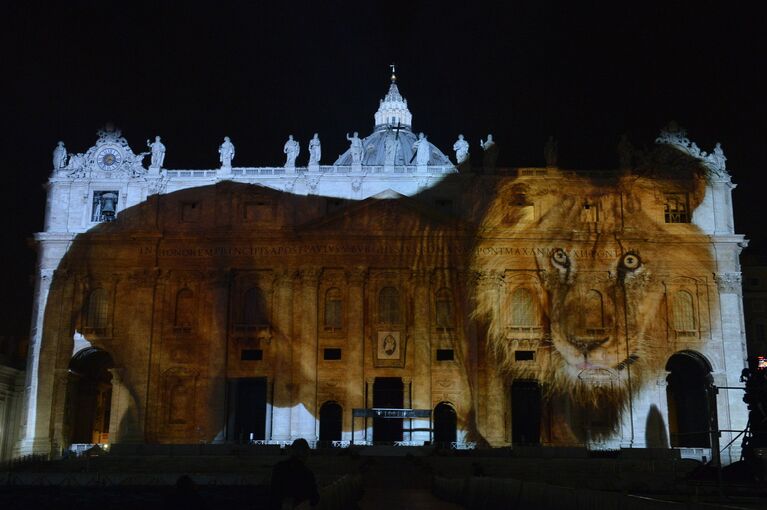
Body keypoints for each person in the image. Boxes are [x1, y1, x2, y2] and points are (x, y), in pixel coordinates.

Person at [270, 438, 320, 509]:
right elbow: (314, 499)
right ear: (305, 453)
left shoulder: (279, 467)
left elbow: (273, 492)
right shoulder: (307, 473)